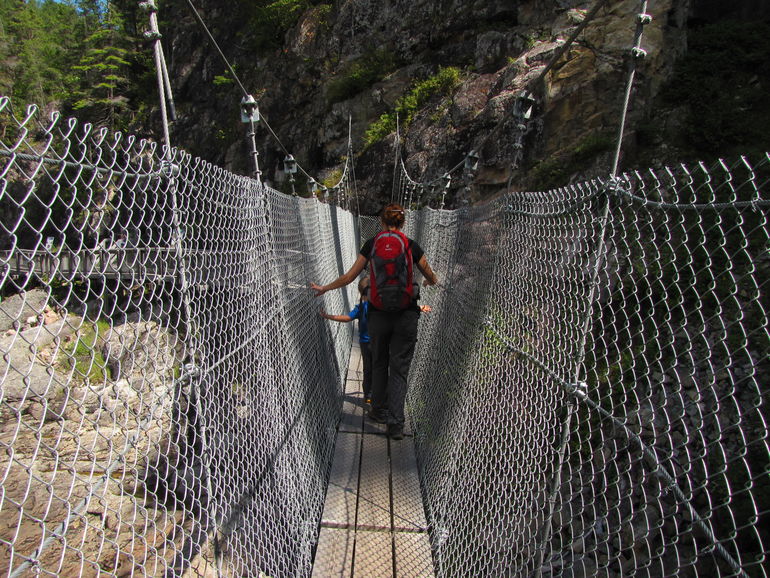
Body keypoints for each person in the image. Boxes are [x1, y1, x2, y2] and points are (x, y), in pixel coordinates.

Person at [311, 204, 439, 440]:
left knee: (379, 363)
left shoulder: (372, 244)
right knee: (399, 370)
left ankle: (377, 410)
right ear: (403, 223)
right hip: (406, 314)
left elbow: (350, 276)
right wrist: (431, 281)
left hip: (378, 315)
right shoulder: (410, 245)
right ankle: (396, 425)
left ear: (381, 222)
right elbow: (430, 274)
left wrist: (325, 288)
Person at [320, 276, 373, 404]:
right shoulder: (378, 306)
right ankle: (379, 395)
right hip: (379, 342)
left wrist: (329, 316)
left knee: (368, 369)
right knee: (380, 368)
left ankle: (368, 396)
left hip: (365, 344)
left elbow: (347, 318)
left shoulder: (361, 307)